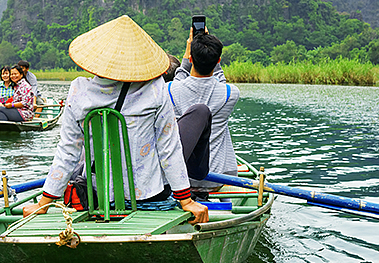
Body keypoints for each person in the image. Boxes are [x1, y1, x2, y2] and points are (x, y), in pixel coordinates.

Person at [22, 15, 209, 223]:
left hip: (98, 196)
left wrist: (43, 203)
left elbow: (68, 151)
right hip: (149, 195)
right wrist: (186, 200)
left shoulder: (79, 90)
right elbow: (169, 147)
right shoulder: (156, 89)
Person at [167, 29, 239, 199]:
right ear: (218, 61)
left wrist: (188, 52)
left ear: (191, 59)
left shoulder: (170, 90)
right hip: (216, 180)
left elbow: (179, 77)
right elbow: (220, 79)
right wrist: (212, 54)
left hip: (183, 179)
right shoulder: (231, 94)